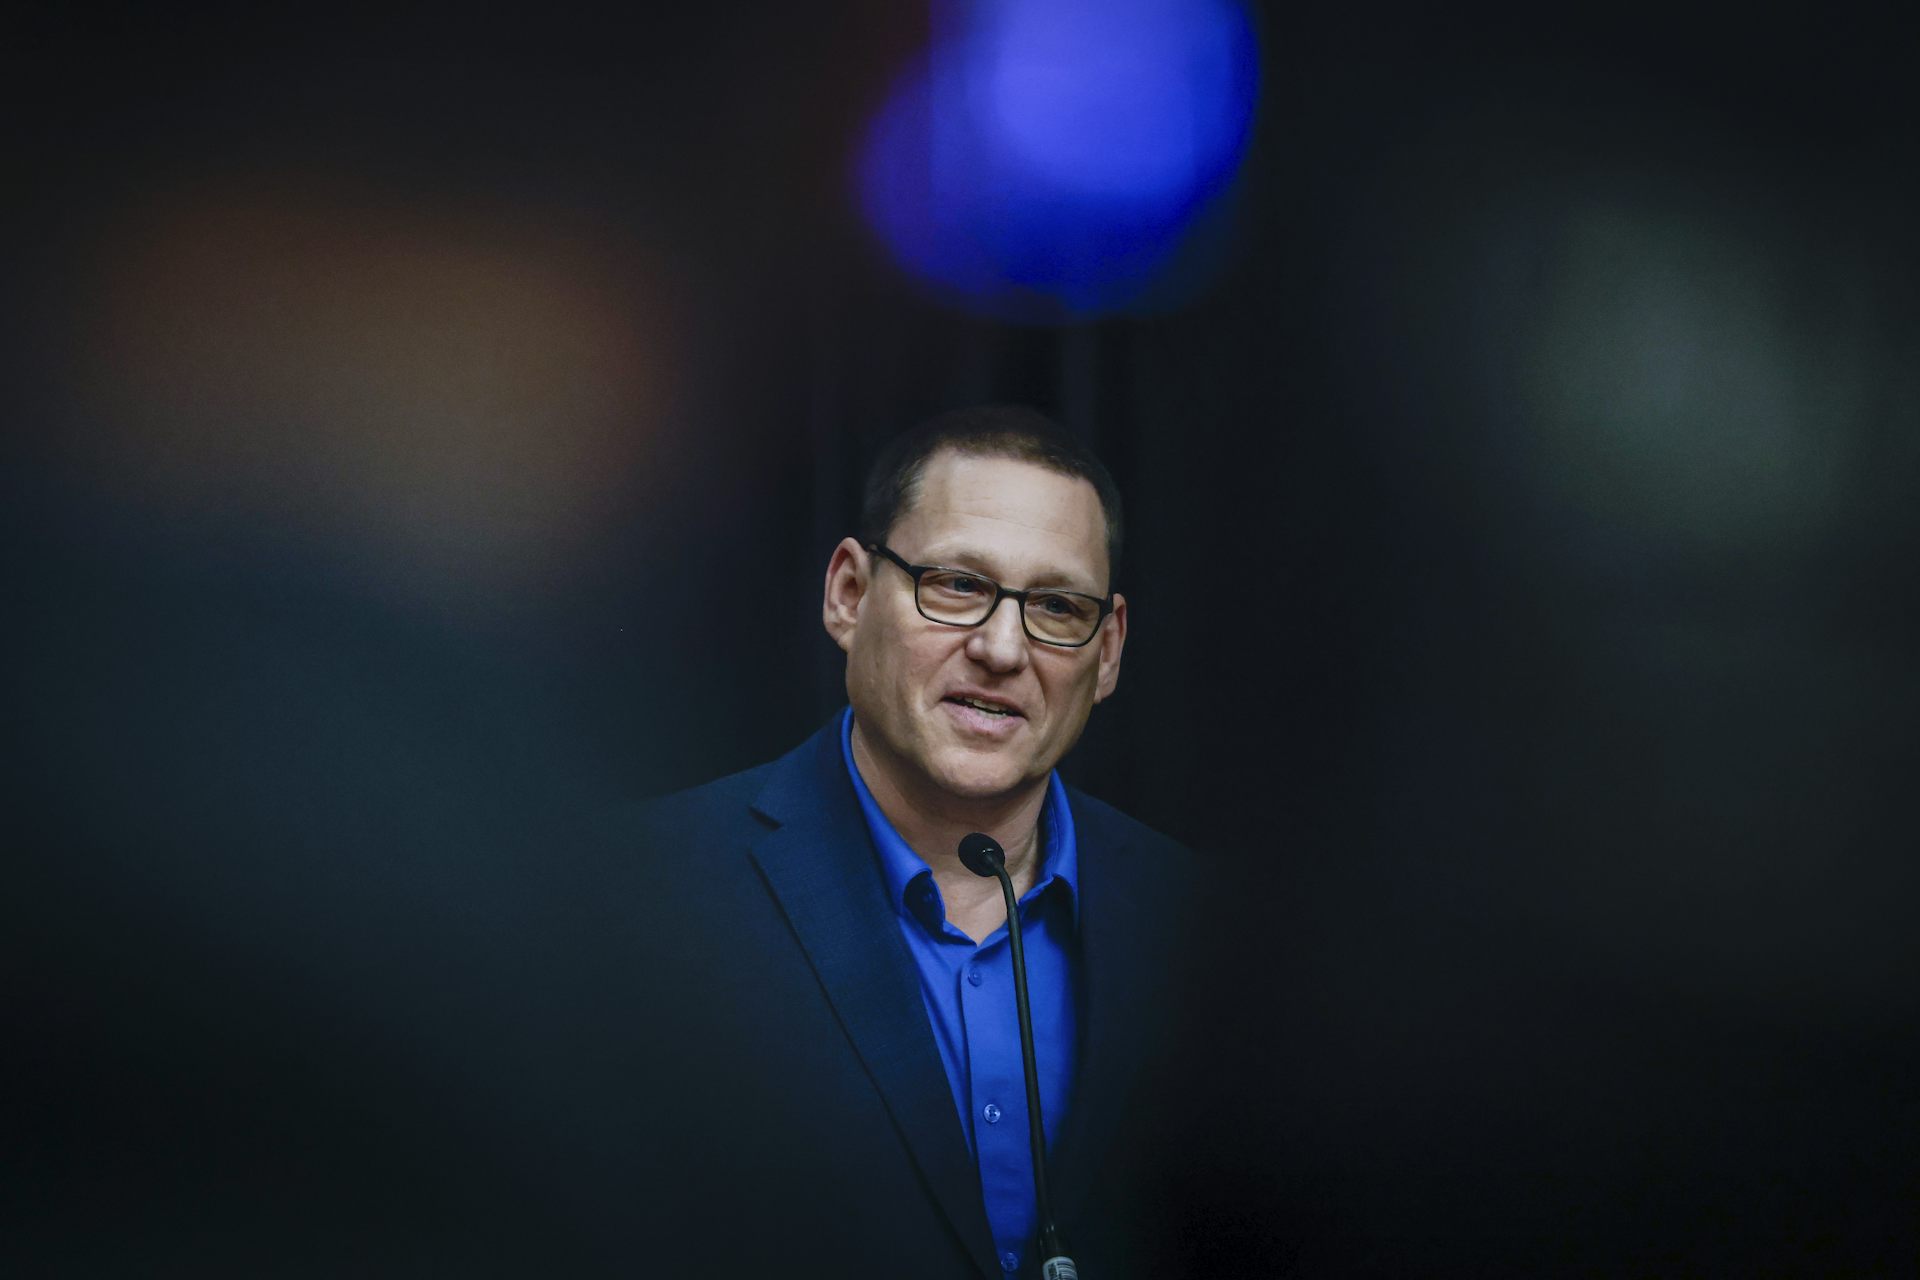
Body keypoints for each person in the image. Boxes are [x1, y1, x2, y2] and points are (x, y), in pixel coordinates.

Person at [630, 405, 1205, 1279]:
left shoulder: (1204, 927)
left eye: (1057, 606)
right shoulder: (639, 893)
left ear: (1110, 650)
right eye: (958, 585)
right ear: (848, 595)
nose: (1002, 649)